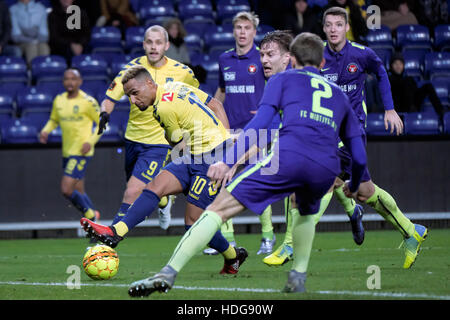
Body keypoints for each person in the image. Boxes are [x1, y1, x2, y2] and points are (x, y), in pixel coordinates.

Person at [125, 32, 368, 296]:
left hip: (288, 158)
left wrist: (228, 161)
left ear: (293, 59)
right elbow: (358, 151)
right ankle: (298, 276)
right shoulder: (338, 95)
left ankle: (168, 272)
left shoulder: (283, 80)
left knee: (216, 210)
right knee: (305, 212)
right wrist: (355, 183)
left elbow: (258, 124)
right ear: (322, 63)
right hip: (325, 167)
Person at [80, 65, 247, 275]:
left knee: (192, 223)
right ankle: (115, 232)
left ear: (150, 84)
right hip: (198, 153)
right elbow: (215, 105)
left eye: (135, 93)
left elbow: (178, 144)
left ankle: (233, 256)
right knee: (155, 186)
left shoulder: (163, 109)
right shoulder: (175, 86)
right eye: (129, 96)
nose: (133, 101)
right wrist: (227, 140)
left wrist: (226, 156)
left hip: (211, 159)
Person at [320, 7, 428, 269]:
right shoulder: (317, 57)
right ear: (323, 29)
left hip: (352, 132)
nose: (333, 29)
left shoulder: (361, 53)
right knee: (365, 191)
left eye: (338, 24)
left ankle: (289, 246)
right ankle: (411, 230)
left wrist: (390, 109)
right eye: (328, 25)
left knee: (319, 181)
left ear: (346, 27)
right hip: (327, 132)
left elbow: (381, 72)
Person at [95, 25, 200, 231]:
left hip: (160, 142)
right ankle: (163, 201)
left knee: (132, 191)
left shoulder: (182, 72)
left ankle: (109, 238)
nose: (154, 47)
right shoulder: (131, 69)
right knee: (140, 190)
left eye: (158, 42)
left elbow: (195, 100)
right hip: (133, 139)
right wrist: (104, 113)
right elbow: (110, 97)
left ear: (167, 45)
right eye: (149, 42)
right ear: (144, 44)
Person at [211, 11, 275, 255]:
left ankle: (267, 236)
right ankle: (228, 241)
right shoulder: (224, 59)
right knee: (223, 182)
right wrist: (212, 114)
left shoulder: (262, 59)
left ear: (254, 32)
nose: (242, 32)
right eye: (238, 27)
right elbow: (222, 91)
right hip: (230, 132)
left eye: (247, 28)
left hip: (256, 131)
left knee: (259, 184)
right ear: (233, 30)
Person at [39, 68, 101, 232]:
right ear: (63, 82)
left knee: (66, 189)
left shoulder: (88, 101)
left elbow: (102, 124)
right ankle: (96, 228)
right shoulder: (59, 100)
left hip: (81, 152)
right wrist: (46, 131)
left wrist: (90, 141)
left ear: (80, 82)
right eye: (66, 79)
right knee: (78, 190)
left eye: (73, 79)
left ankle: (91, 215)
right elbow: (53, 120)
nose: (70, 82)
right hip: (67, 152)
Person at [389, 52, 445, 122]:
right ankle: (411, 110)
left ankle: (442, 112)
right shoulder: (388, 80)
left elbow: (416, 93)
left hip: (412, 106)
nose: (398, 66)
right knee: (407, 81)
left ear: (403, 65)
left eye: (400, 64)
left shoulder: (408, 79)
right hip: (398, 107)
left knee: (428, 86)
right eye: (395, 64)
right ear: (391, 66)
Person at [9, 0, 50, 65]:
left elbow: (45, 36)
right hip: (21, 44)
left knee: (44, 46)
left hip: (39, 42)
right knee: (31, 47)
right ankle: (31, 71)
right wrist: (33, 34)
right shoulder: (13, 9)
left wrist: (25, 31)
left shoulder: (41, 8)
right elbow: (16, 37)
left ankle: (45, 71)